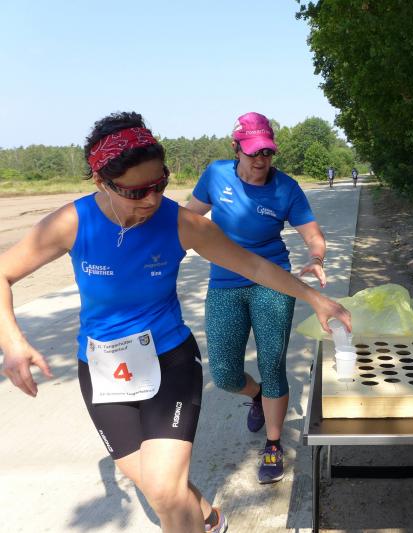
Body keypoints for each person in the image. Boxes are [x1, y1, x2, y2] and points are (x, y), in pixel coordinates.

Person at [0, 111, 351, 533]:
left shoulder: (181, 223)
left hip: (169, 362)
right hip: (102, 370)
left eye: (160, 184)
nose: (151, 200)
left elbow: (255, 266)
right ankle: (211, 519)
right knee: (160, 488)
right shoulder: (72, 222)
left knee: (165, 492)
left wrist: (316, 298)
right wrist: (13, 342)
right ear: (102, 182)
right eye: (136, 191)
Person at [185, 112, 329, 485]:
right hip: (224, 284)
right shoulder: (216, 175)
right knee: (224, 373)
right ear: (236, 149)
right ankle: (257, 395)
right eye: (253, 152)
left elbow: (313, 235)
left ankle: (274, 443)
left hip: (273, 284)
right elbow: (186, 221)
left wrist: (316, 258)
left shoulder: (286, 188)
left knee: (272, 363)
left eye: (267, 152)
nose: (261, 160)